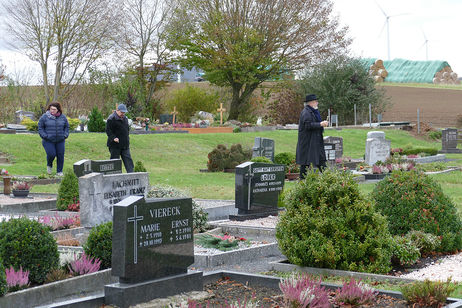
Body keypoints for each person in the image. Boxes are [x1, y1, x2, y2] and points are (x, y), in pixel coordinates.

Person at [296, 94, 329, 179]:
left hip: (315, 141)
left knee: (320, 161)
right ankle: (302, 181)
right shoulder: (306, 112)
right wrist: (320, 124)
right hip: (308, 142)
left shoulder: (313, 112)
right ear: (311, 103)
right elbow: (308, 125)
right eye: (315, 101)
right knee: (305, 163)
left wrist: (321, 124)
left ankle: (329, 178)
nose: (317, 103)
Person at [38, 102, 70, 176]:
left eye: (54, 109)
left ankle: (59, 171)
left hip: (60, 140)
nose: (52, 110)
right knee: (51, 154)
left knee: (60, 155)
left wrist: (65, 135)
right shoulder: (44, 117)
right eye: (51, 109)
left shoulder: (63, 117)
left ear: (58, 110)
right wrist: (44, 136)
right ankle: (49, 165)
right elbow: (40, 127)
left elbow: (67, 127)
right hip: (48, 140)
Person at [106, 103, 134, 173]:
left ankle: (132, 175)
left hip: (125, 145)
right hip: (114, 145)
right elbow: (108, 130)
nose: (123, 114)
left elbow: (126, 130)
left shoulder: (125, 119)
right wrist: (113, 138)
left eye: (124, 112)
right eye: (121, 112)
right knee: (115, 163)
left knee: (129, 162)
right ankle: (115, 177)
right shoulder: (111, 119)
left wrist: (127, 139)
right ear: (117, 110)